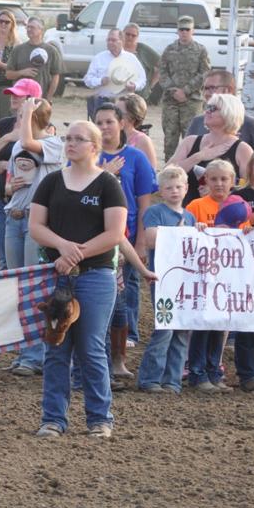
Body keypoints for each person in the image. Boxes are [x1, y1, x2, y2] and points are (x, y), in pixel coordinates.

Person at [29, 120, 127, 438]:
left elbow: (114, 233)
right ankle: (53, 419)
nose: (70, 144)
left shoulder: (108, 184)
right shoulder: (52, 182)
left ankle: (100, 418)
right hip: (55, 272)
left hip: (95, 274)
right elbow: (36, 226)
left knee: (91, 347)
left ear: (94, 147)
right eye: (68, 138)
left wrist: (75, 254)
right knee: (56, 346)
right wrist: (61, 246)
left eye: (78, 139)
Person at [94, 103, 158, 369]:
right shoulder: (89, 156)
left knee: (120, 298)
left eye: (109, 121)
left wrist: (141, 241)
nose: (104, 127)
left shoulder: (136, 158)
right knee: (99, 298)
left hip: (126, 236)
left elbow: (145, 203)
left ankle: (119, 355)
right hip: (90, 236)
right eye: (99, 122)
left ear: (121, 123)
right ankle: (100, 355)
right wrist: (105, 175)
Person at [5, 98, 65, 377]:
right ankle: (25, 349)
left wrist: (27, 113)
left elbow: (29, 143)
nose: (18, 120)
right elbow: (15, 176)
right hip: (15, 216)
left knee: (34, 286)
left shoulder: (54, 144)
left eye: (22, 116)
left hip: (35, 221)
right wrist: (9, 187)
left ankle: (35, 354)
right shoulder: (20, 145)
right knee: (19, 286)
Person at [184, 159, 243, 393]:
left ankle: (214, 371)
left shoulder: (239, 206)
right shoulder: (196, 205)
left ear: (233, 182)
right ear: (205, 181)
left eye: (224, 179)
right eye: (214, 179)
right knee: (202, 324)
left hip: (227, 279)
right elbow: (183, 233)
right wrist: (194, 229)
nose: (219, 184)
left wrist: (247, 230)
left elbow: (243, 238)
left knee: (220, 324)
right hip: (202, 278)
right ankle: (198, 373)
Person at [135, 165, 195, 394]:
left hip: (184, 280)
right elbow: (150, 240)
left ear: (186, 188)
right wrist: (179, 233)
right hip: (163, 277)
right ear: (161, 190)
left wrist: (195, 229)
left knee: (181, 328)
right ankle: (150, 378)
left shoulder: (189, 216)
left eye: (179, 186)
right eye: (169, 187)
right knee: (166, 327)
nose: (174, 191)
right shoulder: (155, 212)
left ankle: (173, 380)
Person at [0, 78, 43, 272]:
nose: (13, 97)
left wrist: (10, 165)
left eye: (19, 94)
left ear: (33, 100)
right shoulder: (5, 125)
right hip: (0, 200)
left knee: (28, 266)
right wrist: (7, 138)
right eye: (12, 94)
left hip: (28, 204)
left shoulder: (43, 130)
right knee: (6, 263)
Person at [169, 93, 252, 206]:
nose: (207, 111)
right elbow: (167, 174)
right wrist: (198, 156)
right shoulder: (190, 141)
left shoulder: (242, 149)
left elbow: (250, 188)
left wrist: (219, 192)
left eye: (213, 108)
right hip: (187, 214)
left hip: (222, 216)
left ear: (229, 114)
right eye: (207, 107)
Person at [159, 16, 212, 160]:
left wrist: (186, 90)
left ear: (192, 31)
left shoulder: (200, 50)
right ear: (177, 31)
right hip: (171, 101)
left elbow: (205, 73)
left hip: (191, 101)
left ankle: (192, 170)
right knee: (170, 137)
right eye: (181, 29)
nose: (184, 32)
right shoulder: (169, 50)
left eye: (187, 29)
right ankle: (170, 169)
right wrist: (174, 90)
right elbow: (162, 72)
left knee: (192, 136)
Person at [234, 149, 254, 392]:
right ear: (251, 167)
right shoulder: (239, 196)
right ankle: (248, 373)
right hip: (245, 268)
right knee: (247, 321)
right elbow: (230, 230)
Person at [183, 68, 254, 148]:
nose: (206, 93)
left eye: (212, 88)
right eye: (205, 88)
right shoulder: (198, 122)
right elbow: (183, 155)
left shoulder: (249, 124)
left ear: (229, 90)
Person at [82, 29, 146, 120]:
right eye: (108, 40)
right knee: (102, 131)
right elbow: (88, 79)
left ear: (121, 41)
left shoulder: (131, 58)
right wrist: (100, 81)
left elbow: (142, 79)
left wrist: (134, 86)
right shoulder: (99, 58)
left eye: (113, 40)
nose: (110, 42)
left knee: (124, 131)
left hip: (125, 102)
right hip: (103, 101)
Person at [5, 16, 62, 99]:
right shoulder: (18, 50)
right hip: (20, 99)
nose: (28, 29)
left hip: (41, 99)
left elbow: (55, 76)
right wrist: (22, 72)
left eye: (32, 27)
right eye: (27, 27)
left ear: (41, 30)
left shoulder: (51, 51)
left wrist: (49, 98)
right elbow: (8, 75)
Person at [116, 93, 158, 170]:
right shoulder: (106, 136)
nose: (114, 116)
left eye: (119, 113)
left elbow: (150, 174)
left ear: (132, 117)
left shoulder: (142, 141)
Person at [121, 23, 160, 102]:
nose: (130, 37)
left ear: (137, 37)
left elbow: (162, 65)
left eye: (133, 35)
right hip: (119, 94)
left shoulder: (142, 49)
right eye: (127, 34)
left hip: (139, 95)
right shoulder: (117, 48)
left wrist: (150, 85)